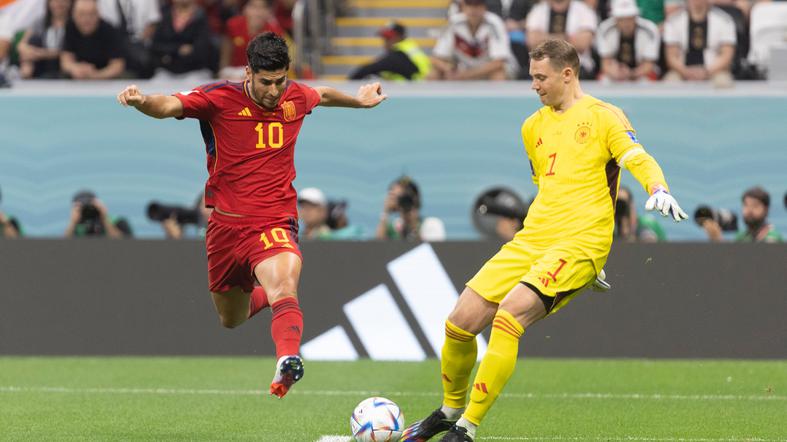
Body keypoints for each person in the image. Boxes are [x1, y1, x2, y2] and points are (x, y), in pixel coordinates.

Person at [401, 39, 688, 442]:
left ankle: (466, 429)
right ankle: (449, 409)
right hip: (533, 238)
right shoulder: (532, 126)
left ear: (567, 74)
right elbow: (548, 186)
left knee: (508, 316)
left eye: (541, 77)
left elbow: (635, 157)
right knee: (459, 323)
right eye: (532, 77)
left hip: (581, 241)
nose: (534, 85)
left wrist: (657, 187)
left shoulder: (605, 116)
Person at [116, 32, 385, 398]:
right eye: (266, 82)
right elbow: (166, 105)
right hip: (225, 227)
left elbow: (320, 94)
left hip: (274, 221)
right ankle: (270, 301)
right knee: (231, 318)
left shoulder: (294, 96)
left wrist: (359, 100)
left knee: (285, 283)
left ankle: (287, 359)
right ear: (248, 72)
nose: (275, 91)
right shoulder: (217, 98)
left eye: (280, 81)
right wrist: (141, 100)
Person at [430, 0, 519, 81]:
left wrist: (466, 75)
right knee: (433, 74)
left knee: (498, 74)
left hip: (488, 69)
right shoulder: (454, 23)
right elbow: (436, 58)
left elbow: (499, 63)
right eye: (469, 4)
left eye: (477, 5)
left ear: (484, 7)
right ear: (463, 6)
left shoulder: (494, 23)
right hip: (464, 69)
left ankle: (498, 98)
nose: (473, 9)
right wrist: (449, 69)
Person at [662, 0, 736, 87]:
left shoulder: (725, 20)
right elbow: (671, 57)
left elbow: (726, 55)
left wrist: (706, 72)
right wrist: (686, 72)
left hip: (714, 70)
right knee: (670, 83)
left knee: (724, 83)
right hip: (681, 71)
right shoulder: (673, 21)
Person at [525, 0, 598, 78]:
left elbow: (582, 44)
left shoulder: (584, 10)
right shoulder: (538, 10)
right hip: (541, 66)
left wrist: (544, 38)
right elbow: (532, 42)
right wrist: (567, 38)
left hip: (577, 66)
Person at [219, 0, 285, 80]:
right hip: (233, 75)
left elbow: (276, 66)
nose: (258, 12)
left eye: (263, 8)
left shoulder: (275, 32)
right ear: (244, 9)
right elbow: (224, 60)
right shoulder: (233, 25)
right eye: (253, 7)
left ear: (269, 11)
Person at [596, 0, 661, 82]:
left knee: (647, 81)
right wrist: (616, 73)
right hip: (615, 72)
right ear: (615, 18)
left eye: (629, 18)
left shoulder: (650, 30)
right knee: (604, 80)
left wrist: (632, 74)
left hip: (641, 72)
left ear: (635, 16)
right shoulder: (604, 29)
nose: (626, 23)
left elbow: (649, 65)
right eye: (621, 19)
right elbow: (605, 63)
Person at [60, 0, 125, 80]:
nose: (86, 19)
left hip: (106, 80)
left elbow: (117, 66)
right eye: (81, 14)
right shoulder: (70, 27)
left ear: (98, 14)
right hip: (77, 80)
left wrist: (95, 75)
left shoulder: (109, 30)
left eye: (91, 14)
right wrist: (75, 68)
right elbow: (65, 61)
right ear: (74, 15)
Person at [349, 21, 431, 81]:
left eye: (388, 38)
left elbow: (364, 71)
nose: (385, 42)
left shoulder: (398, 55)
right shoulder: (411, 48)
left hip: (412, 92)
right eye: (384, 38)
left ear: (399, 37)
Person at [375, 176, 446, 242]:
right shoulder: (394, 226)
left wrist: (413, 224)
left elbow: (429, 251)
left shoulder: (431, 224)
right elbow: (379, 248)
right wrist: (385, 212)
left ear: (414, 199)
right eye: (392, 195)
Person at [702, 186, 782, 243]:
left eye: (755, 205)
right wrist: (717, 240)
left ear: (766, 210)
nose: (749, 210)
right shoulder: (740, 237)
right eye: (746, 205)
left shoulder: (773, 238)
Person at [16, 0, 72, 78]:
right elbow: (22, 45)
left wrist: (43, 54)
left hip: (61, 65)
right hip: (41, 65)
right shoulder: (40, 21)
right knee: (33, 41)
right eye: (55, 1)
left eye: (63, 1)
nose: (59, 4)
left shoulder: (74, 23)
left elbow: (69, 51)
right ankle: (26, 75)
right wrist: (29, 52)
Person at [64, 190, 132, 238]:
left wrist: (104, 218)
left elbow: (125, 246)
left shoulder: (118, 221)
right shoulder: (75, 228)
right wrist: (72, 223)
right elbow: (63, 249)